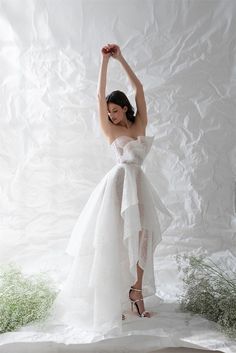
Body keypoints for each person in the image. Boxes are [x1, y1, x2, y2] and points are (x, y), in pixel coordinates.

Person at [46, 44, 173, 339]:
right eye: (108, 112)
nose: (112, 116)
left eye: (115, 110)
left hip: (138, 184)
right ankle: (114, 297)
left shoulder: (139, 122)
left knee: (143, 235)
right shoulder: (111, 130)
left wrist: (121, 58)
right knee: (116, 237)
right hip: (117, 185)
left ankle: (136, 291)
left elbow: (139, 87)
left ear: (126, 107)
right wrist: (103, 61)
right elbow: (97, 94)